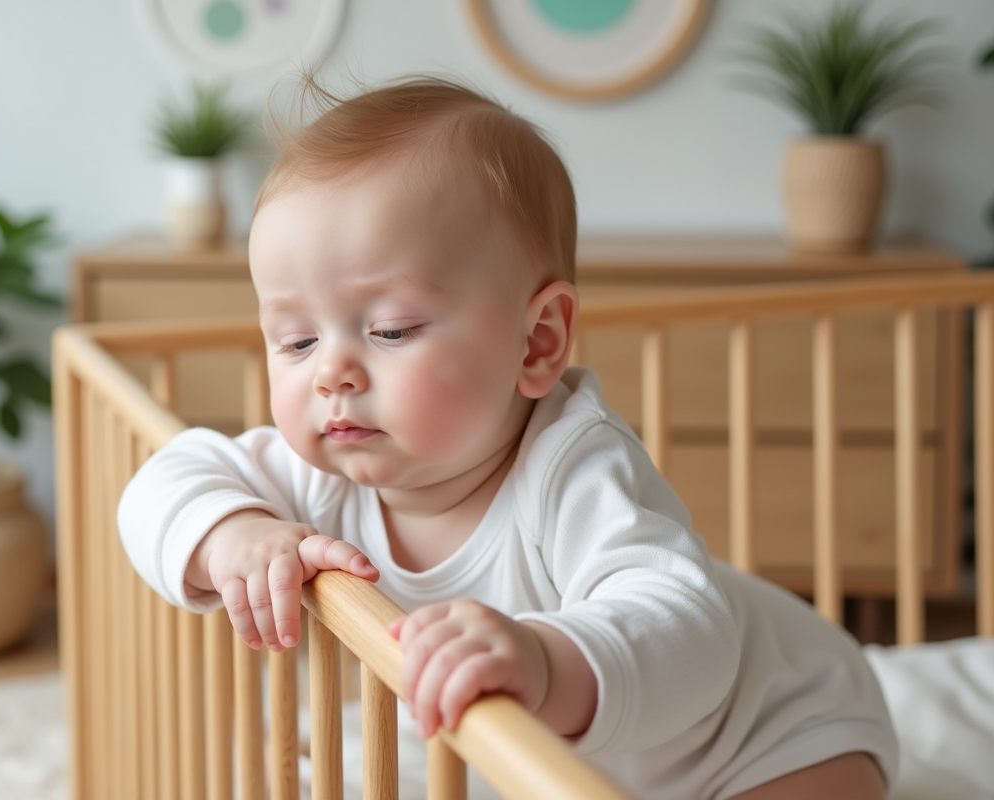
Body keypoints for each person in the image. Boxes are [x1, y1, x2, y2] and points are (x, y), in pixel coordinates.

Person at [118, 75, 897, 800]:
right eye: (295, 341)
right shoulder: (318, 474)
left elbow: (689, 632)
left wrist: (545, 660)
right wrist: (235, 536)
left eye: (390, 329)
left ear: (537, 342)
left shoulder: (571, 465)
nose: (331, 374)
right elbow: (161, 483)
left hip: (773, 727)